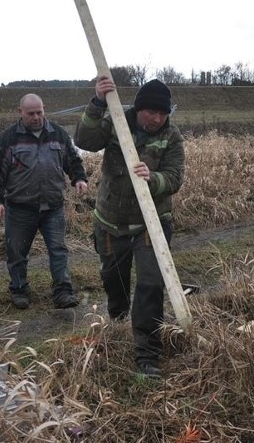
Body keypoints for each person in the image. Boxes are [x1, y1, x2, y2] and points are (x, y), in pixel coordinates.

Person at [75, 77, 185, 378]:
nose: (158, 119)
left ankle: (147, 355)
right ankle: (119, 317)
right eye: (152, 112)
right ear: (139, 109)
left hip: (151, 223)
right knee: (114, 281)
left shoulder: (171, 137)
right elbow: (84, 141)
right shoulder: (116, 120)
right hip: (111, 221)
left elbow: (175, 177)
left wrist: (154, 177)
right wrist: (97, 103)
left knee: (150, 285)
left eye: (163, 114)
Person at [0, 93, 87, 310]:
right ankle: (19, 289)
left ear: (44, 110)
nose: (36, 117)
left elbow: (73, 159)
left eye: (39, 112)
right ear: (20, 112)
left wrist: (78, 178)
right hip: (20, 208)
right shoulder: (8, 139)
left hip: (53, 207)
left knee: (58, 249)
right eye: (31, 113)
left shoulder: (57, 134)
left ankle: (63, 291)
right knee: (17, 252)